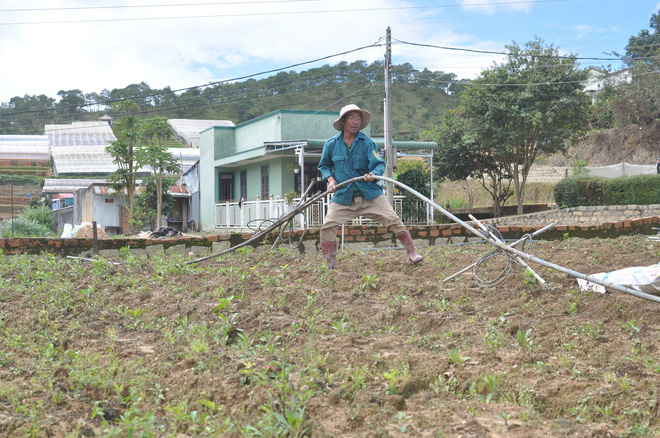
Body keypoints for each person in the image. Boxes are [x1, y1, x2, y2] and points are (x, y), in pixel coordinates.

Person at [317, 104, 423, 269]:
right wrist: (330, 179)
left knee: (393, 220)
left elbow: (379, 165)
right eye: (351, 118)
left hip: (369, 194)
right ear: (343, 121)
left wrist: (373, 175)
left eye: (358, 118)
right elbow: (323, 166)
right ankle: (329, 264)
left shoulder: (368, 143)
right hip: (343, 195)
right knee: (328, 225)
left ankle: (412, 253)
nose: (355, 121)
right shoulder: (331, 144)